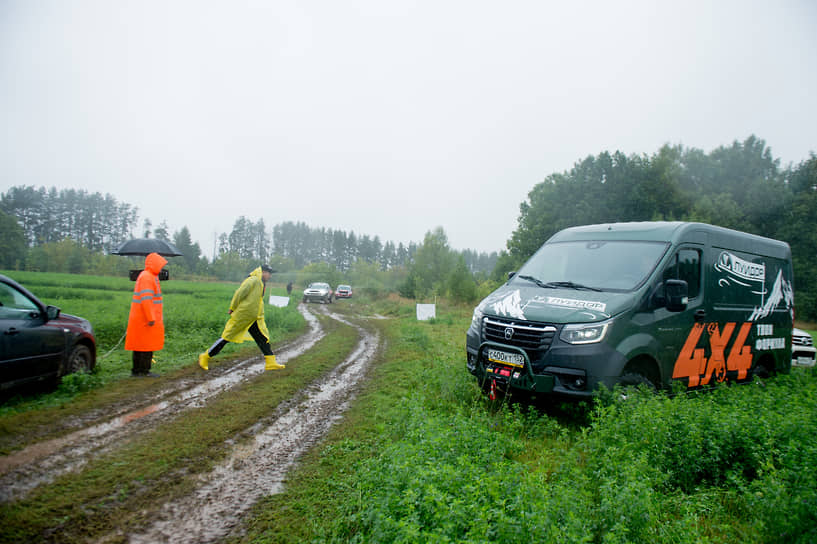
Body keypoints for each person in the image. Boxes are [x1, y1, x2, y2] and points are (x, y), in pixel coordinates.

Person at [198, 264, 284, 371]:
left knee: (262, 338)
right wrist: (232, 307)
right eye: (269, 273)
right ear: (263, 272)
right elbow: (239, 293)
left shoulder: (261, 283)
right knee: (227, 337)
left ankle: (271, 362)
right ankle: (205, 356)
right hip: (243, 316)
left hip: (254, 318)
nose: (270, 276)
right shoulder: (253, 280)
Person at [125, 252, 167, 377]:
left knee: (140, 346)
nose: (161, 268)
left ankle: (137, 371)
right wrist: (151, 317)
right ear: (154, 264)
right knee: (146, 346)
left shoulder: (148, 276)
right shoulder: (147, 277)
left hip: (142, 318)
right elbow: (146, 299)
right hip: (145, 319)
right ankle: (143, 371)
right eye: (160, 265)